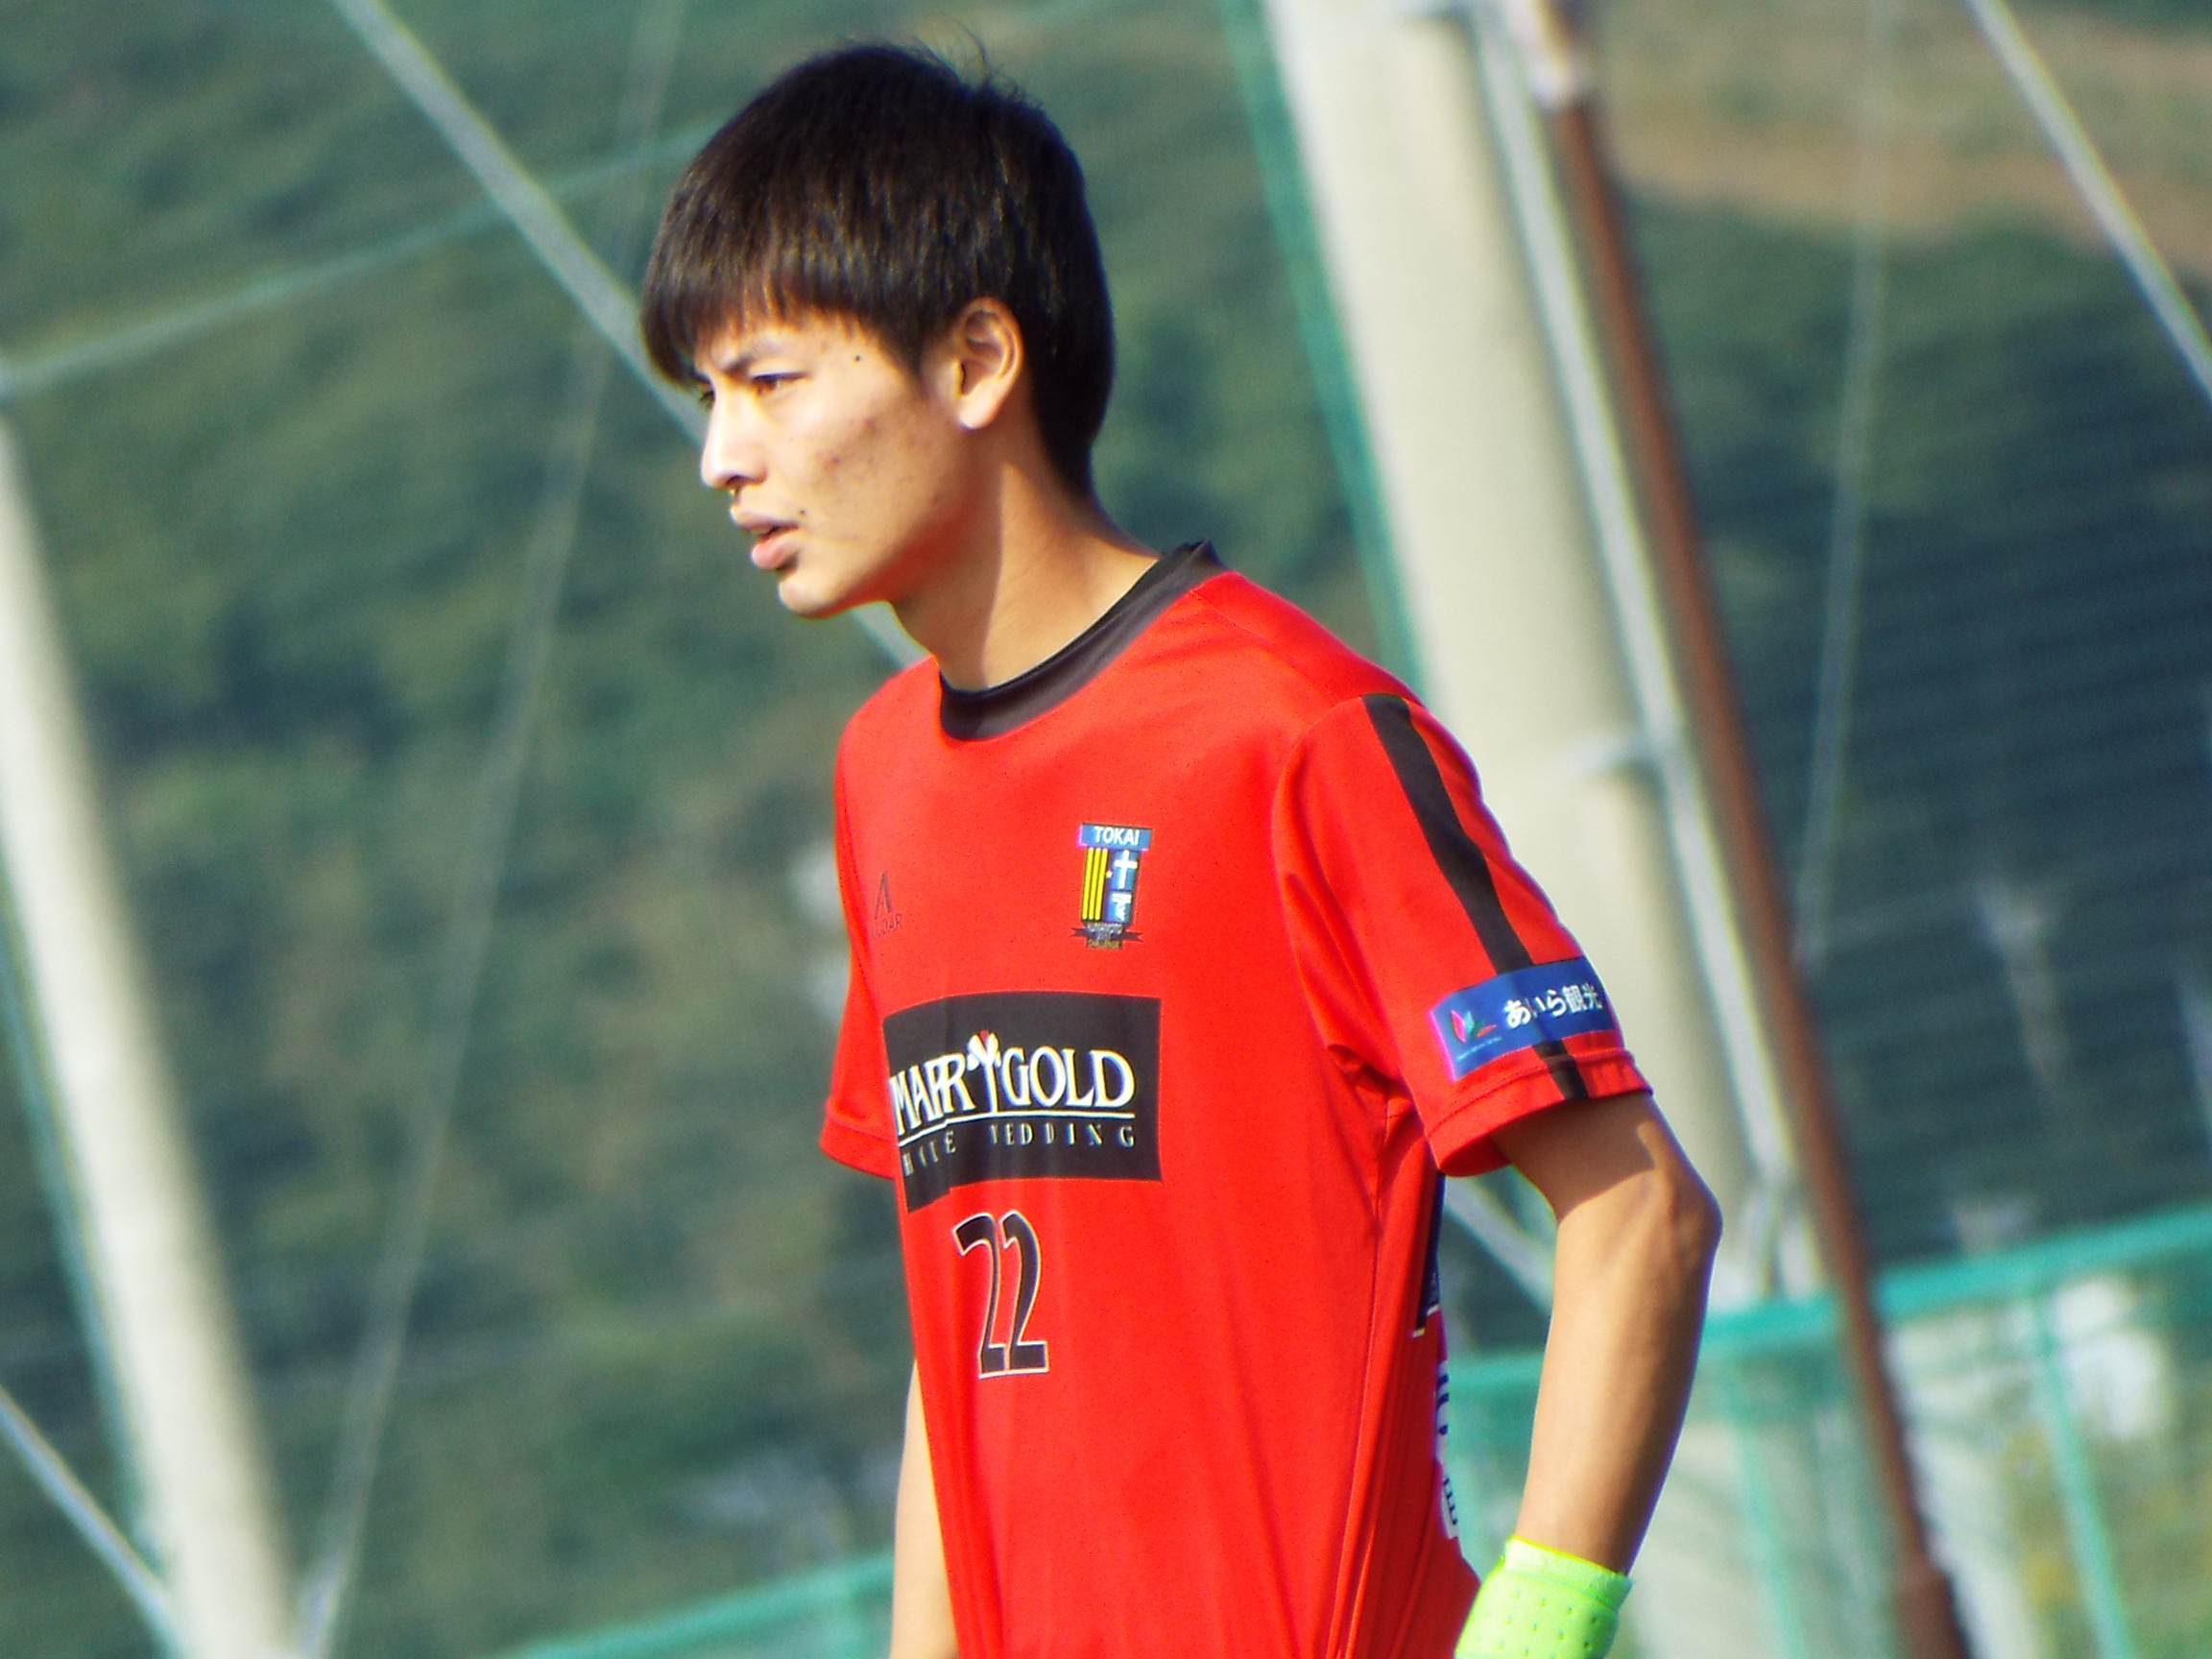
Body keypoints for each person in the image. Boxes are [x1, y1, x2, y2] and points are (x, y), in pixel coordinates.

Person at [639, 42, 1719, 1659]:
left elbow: (1641, 1215)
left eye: (771, 383)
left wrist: (1536, 1632)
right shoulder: (880, 777)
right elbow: (964, 1344)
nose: (724, 458)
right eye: (708, 399)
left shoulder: (1292, 733)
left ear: (977, 361)